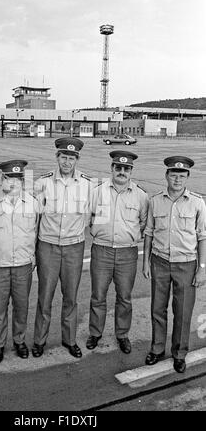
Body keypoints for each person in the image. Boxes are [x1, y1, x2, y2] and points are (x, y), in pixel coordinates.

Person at [143, 156, 206, 373]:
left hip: (186, 265)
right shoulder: (155, 201)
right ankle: (157, 348)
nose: (177, 179)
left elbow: (202, 237)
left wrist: (202, 269)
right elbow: (149, 233)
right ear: (166, 176)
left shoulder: (198, 202)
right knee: (157, 309)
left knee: (182, 312)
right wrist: (145, 263)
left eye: (182, 175)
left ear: (188, 177)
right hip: (159, 262)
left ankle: (179, 354)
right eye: (173, 175)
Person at [32, 137, 92, 359]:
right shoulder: (43, 183)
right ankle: (39, 340)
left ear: (77, 159)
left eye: (71, 158)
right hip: (47, 247)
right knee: (44, 297)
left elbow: (94, 213)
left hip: (74, 248)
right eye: (63, 157)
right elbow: (34, 217)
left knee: (71, 297)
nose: (67, 162)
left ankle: (69, 340)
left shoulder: (88, 184)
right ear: (57, 157)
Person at [0, 160, 39, 363]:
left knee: (21, 307)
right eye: (9, 178)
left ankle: (19, 341)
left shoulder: (32, 202)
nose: (13, 183)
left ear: (22, 181)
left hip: (22, 266)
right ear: (2, 179)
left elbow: (36, 233)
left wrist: (33, 258)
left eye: (18, 179)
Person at [87, 150, 149, 354]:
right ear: (112, 169)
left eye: (126, 168)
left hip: (127, 254)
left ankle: (122, 335)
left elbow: (143, 223)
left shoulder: (141, 196)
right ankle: (95, 333)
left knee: (124, 296)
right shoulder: (97, 192)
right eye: (118, 167)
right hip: (101, 251)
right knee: (98, 295)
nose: (122, 171)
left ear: (131, 171)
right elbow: (88, 218)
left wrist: (128, 235)